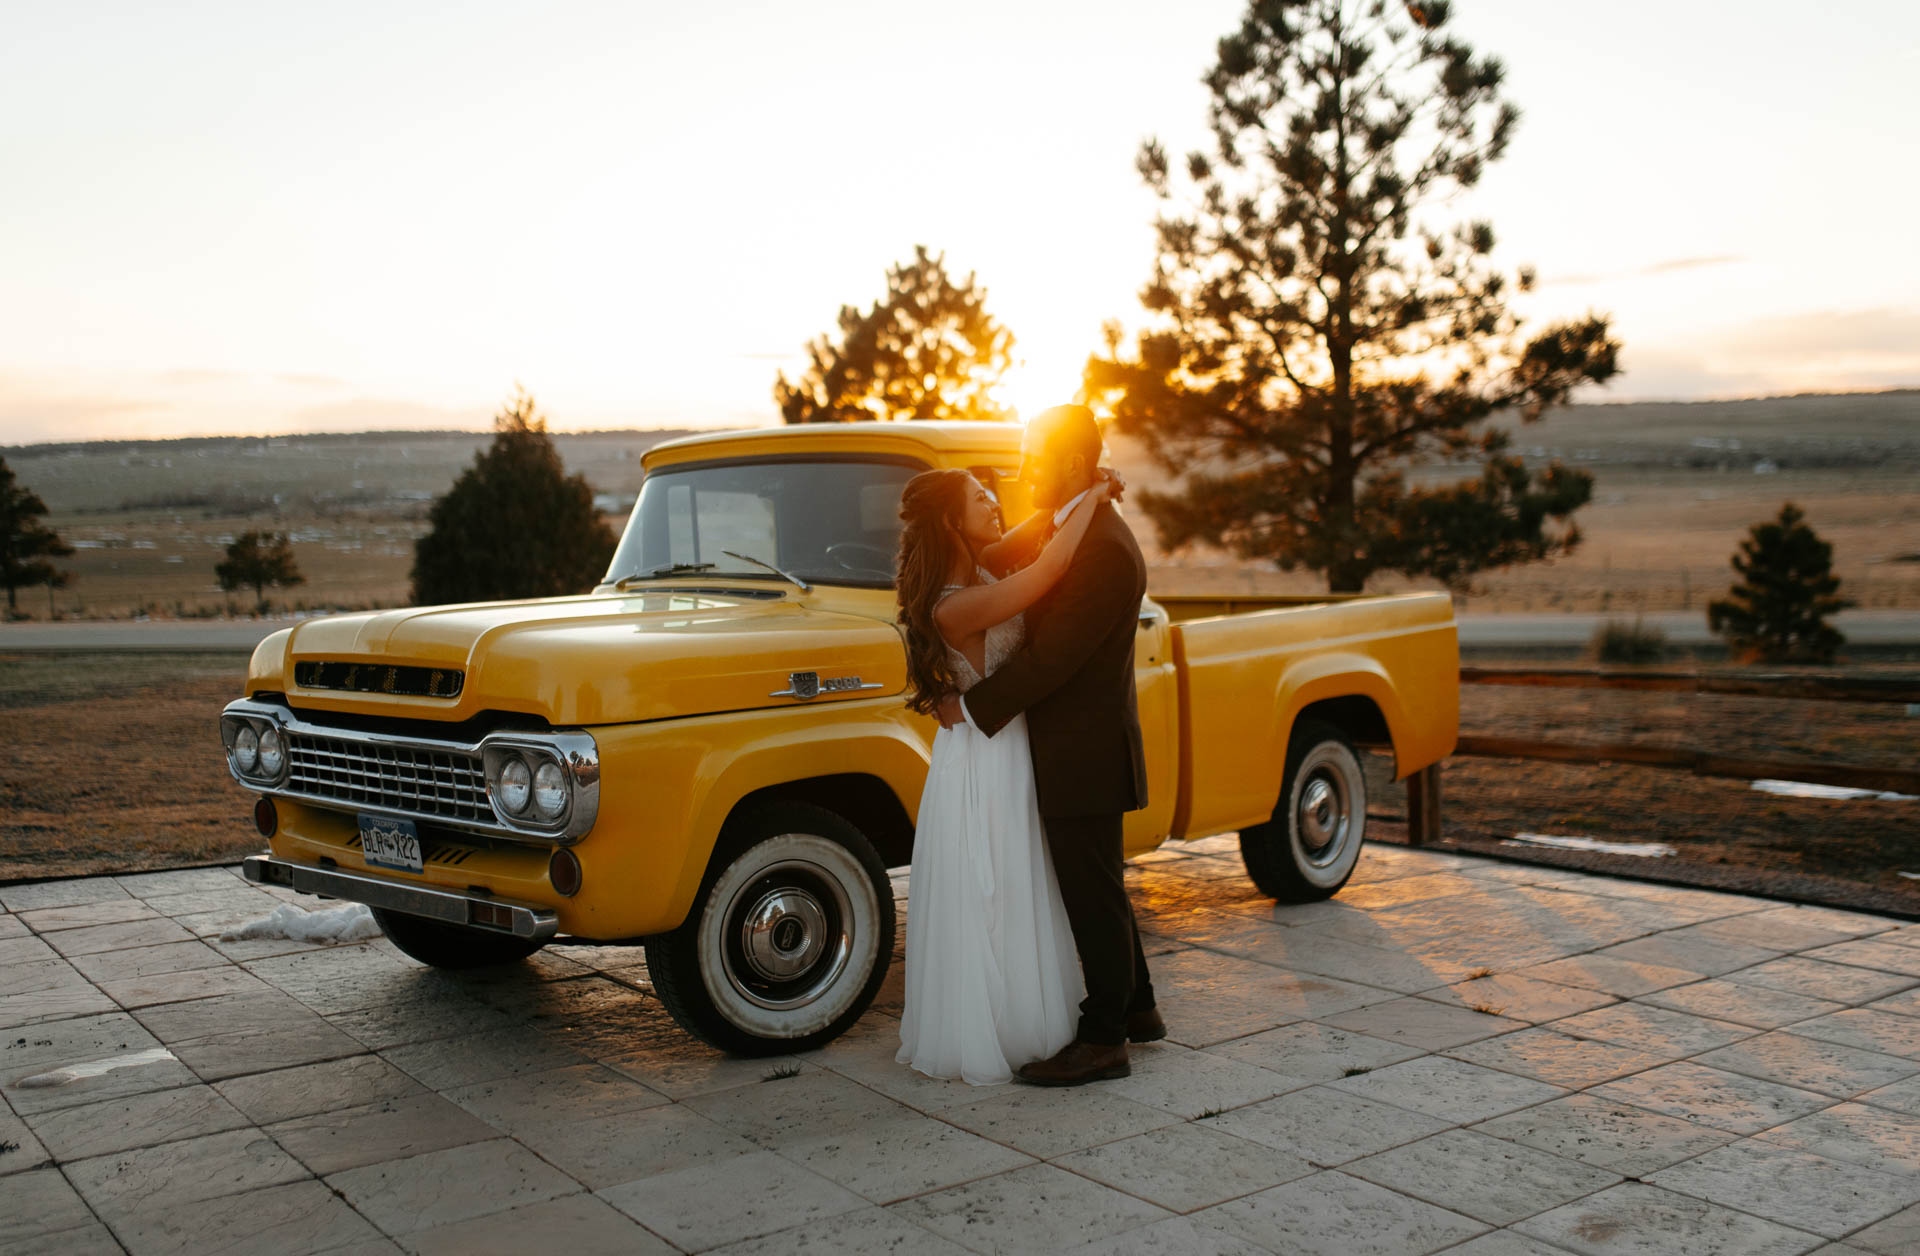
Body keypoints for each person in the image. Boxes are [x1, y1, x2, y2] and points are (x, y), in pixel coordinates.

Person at [937, 404, 1159, 1086]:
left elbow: (1051, 661)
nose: (1025, 469)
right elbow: (1005, 558)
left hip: (1083, 754)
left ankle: (1104, 1041)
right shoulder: (1076, 530)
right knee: (1102, 889)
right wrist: (1090, 491)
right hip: (1074, 750)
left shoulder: (1105, 552)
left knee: (1090, 896)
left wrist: (969, 707)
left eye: (1035, 455)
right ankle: (1140, 1011)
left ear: (1064, 461)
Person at [892, 461, 1116, 1084]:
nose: (994, 503)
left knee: (1016, 883)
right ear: (949, 520)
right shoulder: (955, 605)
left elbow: (1033, 530)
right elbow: (1049, 570)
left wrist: (1068, 499)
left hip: (999, 743)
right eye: (980, 498)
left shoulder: (978, 570)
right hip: (987, 759)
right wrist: (1094, 497)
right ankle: (1005, 1026)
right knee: (999, 890)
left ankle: (1033, 1015)